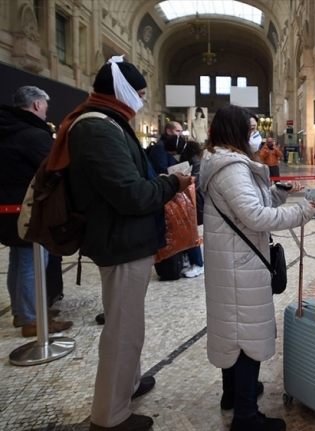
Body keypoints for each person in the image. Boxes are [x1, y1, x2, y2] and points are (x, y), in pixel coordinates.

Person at [54, 56, 192, 431]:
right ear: (122, 91)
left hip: (124, 239)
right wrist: (171, 184)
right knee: (122, 329)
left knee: (129, 323)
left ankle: (128, 384)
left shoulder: (106, 122)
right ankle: (109, 415)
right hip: (120, 241)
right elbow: (131, 195)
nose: (142, 100)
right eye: (140, 93)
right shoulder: (97, 129)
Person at [200, 104, 315, 431]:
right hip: (241, 265)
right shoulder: (232, 168)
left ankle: (233, 395)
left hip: (232, 261)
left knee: (231, 329)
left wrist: (277, 188)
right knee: (245, 333)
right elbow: (256, 217)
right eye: (251, 129)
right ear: (236, 131)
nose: (256, 136)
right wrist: (302, 211)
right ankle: (246, 416)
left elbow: (254, 203)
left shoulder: (218, 161)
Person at [0, 86, 73, 337]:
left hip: (8, 207)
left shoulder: (7, 128)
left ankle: (23, 312)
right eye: (45, 106)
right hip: (28, 208)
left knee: (19, 261)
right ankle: (33, 319)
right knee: (32, 261)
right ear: (36, 105)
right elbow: (53, 169)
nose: (46, 111)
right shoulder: (32, 135)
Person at [149, 121, 204, 278]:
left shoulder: (185, 151)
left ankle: (197, 262)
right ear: (168, 131)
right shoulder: (162, 149)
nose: (179, 134)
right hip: (177, 193)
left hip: (186, 193)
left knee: (188, 228)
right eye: (177, 131)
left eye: (181, 131)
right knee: (183, 228)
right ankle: (189, 260)